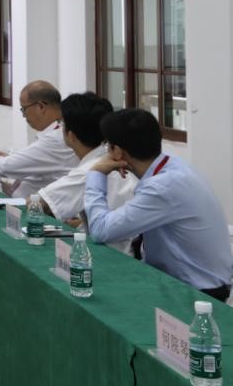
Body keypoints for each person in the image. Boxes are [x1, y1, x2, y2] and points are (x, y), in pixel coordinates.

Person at [85, 108, 233, 299]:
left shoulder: (163, 187)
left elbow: (100, 230)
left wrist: (96, 172)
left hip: (197, 294)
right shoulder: (173, 165)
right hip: (189, 282)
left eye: (108, 146)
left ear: (118, 152)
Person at [35, 92, 135, 252]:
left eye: (62, 124)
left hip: (108, 255)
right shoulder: (110, 157)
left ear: (70, 135)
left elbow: (38, 205)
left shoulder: (90, 169)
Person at [0, 81, 78, 197]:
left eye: (24, 109)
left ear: (41, 107)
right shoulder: (55, 133)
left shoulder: (57, 137)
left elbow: (9, 166)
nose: (24, 115)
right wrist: (6, 159)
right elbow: (30, 161)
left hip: (35, 206)